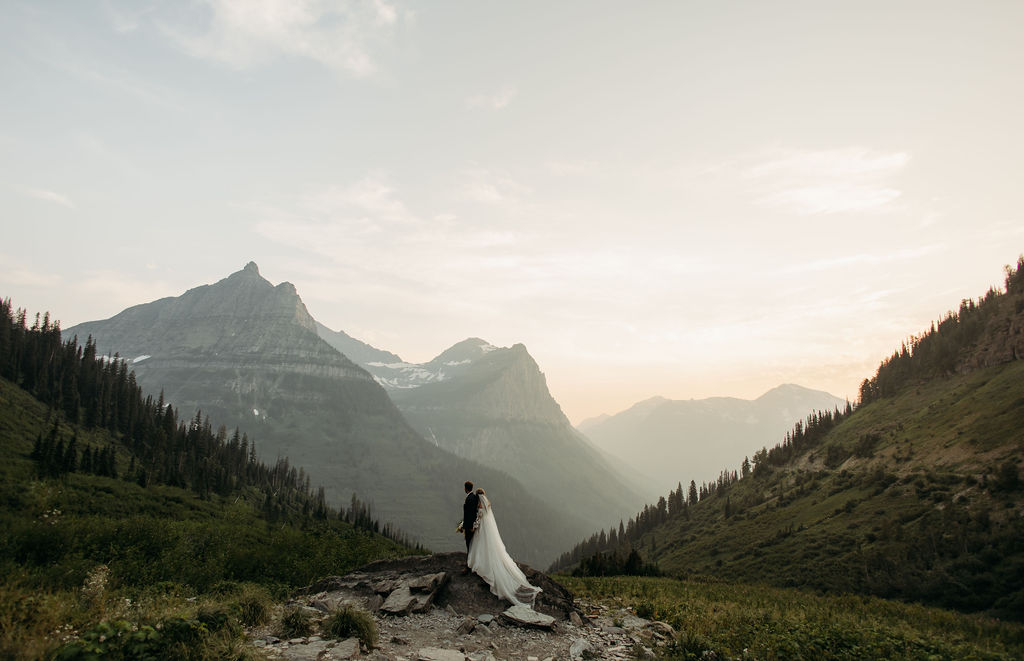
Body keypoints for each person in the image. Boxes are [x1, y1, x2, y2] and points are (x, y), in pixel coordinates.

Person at [466, 488, 542, 607]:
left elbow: (479, 519)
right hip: (487, 530)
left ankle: (481, 563)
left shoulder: (480, 507)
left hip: (482, 529)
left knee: (481, 545)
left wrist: (474, 526)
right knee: (487, 546)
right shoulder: (487, 506)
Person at [461, 481, 480, 573]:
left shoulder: (470, 499)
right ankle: (470, 563)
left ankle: (469, 566)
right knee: (470, 544)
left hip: (469, 527)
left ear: (465, 488)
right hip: (469, 525)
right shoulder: (472, 497)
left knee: (469, 544)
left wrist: (470, 526)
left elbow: (471, 514)